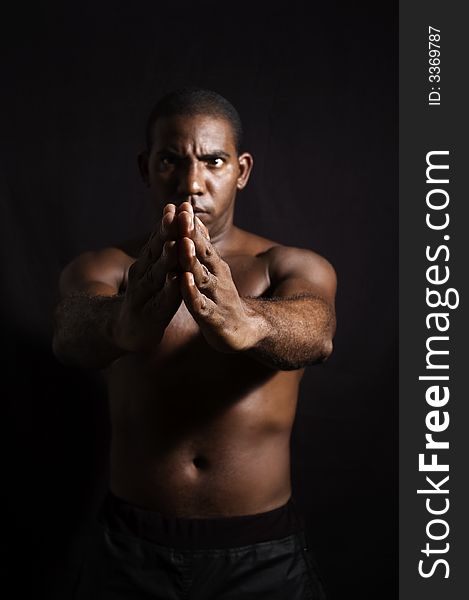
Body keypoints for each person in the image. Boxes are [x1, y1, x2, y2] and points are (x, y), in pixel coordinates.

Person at [52, 88, 336, 599]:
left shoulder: (288, 266)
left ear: (241, 170)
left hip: (262, 553)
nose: (191, 183)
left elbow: (316, 332)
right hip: (129, 550)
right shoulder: (108, 268)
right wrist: (121, 321)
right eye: (170, 161)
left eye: (214, 161)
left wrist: (249, 322)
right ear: (146, 167)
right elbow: (69, 334)